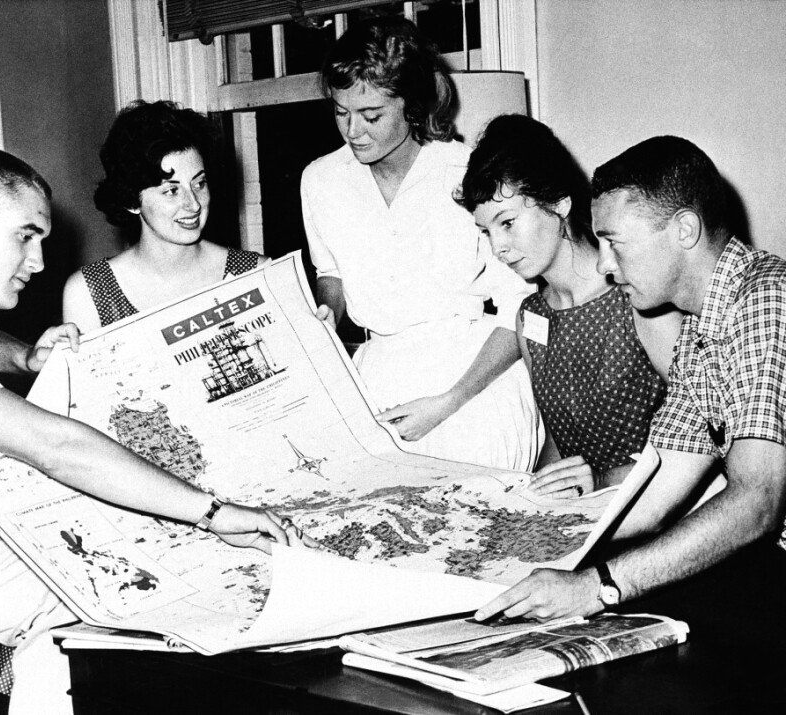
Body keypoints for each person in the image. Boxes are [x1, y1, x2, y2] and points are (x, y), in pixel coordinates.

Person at [0, 146, 305, 714]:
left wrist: (23, 358)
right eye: (26, 235)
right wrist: (214, 513)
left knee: (82, 582)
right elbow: (57, 447)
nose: (40, 261)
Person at [475, 136, 786, 641]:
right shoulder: (703, 332)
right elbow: (656, 492)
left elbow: (757, 501)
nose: (604, 264)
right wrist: (527, 547)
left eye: (614, 241)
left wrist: (599, 587)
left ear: (684, 229)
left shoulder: (767, 297)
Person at [301, 17, 542, 471]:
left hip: (475, 373)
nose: (353, 131)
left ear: (412, 104)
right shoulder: (319, 180)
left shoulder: (468, 170)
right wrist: (326, 314)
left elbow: (520, 307)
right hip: (375, 370)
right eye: (340, 111)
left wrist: (450, 401)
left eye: (371, 115)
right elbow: (329, 273)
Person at [456, 115, 682, 497]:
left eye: (507, 223)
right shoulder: (530, 318)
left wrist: (601, 480)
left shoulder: (640, 298)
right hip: (583, 520)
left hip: (659, 516)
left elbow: (710, 441)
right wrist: (527, 499)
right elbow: (560, 448)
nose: (497, 248)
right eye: (486, 232)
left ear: (559, 203)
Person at [63, 100, 268, 331]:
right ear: (131, 200)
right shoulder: (90, 292)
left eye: (199, 183)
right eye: (171, 191)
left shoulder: (255, 272)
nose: (193, 204)